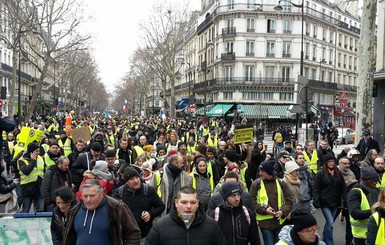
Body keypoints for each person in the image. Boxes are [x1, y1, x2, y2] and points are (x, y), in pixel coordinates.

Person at [62, 179, 141, 245]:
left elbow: (133, 234)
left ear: (101, 194)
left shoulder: (116, 208)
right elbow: (69, 238)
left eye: (92, 196)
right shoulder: (74, 211)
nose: (88, 199)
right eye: (85, 196)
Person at [145, 186, 226, 245]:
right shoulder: (160, 226)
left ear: (198, 203)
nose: (189, 206)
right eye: (184, 202)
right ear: (176, 203)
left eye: (193, 202)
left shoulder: (211, 225)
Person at [113, 167, 165, 245]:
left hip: (144, 235)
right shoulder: (119, 193)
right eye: (132, 179)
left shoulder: (148, 190)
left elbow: (161, 206)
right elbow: (111, 210)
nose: (136, 181)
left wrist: (150, 214)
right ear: (126, 182)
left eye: (137, 178)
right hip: (126, 237)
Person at [249, 159, 294, 245]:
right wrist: (264, 210)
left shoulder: (281, 183)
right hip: (264, 224)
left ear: (269, 172)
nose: (259, 173)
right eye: (259, 171)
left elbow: (290, 199)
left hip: (279, 222)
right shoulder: (256, 184)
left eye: (262, 171)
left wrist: (283, 211)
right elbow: (252, 202)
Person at [313, 158, 346, 245]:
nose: (331, 163)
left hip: (335, 201)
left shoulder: (338, 173)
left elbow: (343, 187)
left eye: (333, 161)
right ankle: (329, 243)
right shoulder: (320, 173)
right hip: (325, 202)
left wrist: (345, 198)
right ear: (326, 162)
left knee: (329, 223)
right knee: (330, 222)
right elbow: (316, 188)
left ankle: (324, 239)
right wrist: (316, 201)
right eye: (329, 161)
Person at [347, 166, 380, 245]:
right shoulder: (355, 192)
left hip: (376, 233)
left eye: (377, 180)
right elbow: (355, 214)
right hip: (361, 237)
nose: (376, 183)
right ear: (365, 180)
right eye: (374, 180)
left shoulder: (377, 190)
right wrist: (375, 210)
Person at [17, 142, 45, 213]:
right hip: (27, 189)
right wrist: (33, 161)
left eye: (39, 151)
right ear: (31, 152)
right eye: (36, 151)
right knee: (25, 211)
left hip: (39, 188)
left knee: (40, 211)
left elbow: (43, 171)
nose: (38, 152)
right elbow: (26, 171)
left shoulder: (40, 158)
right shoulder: (21, 160)